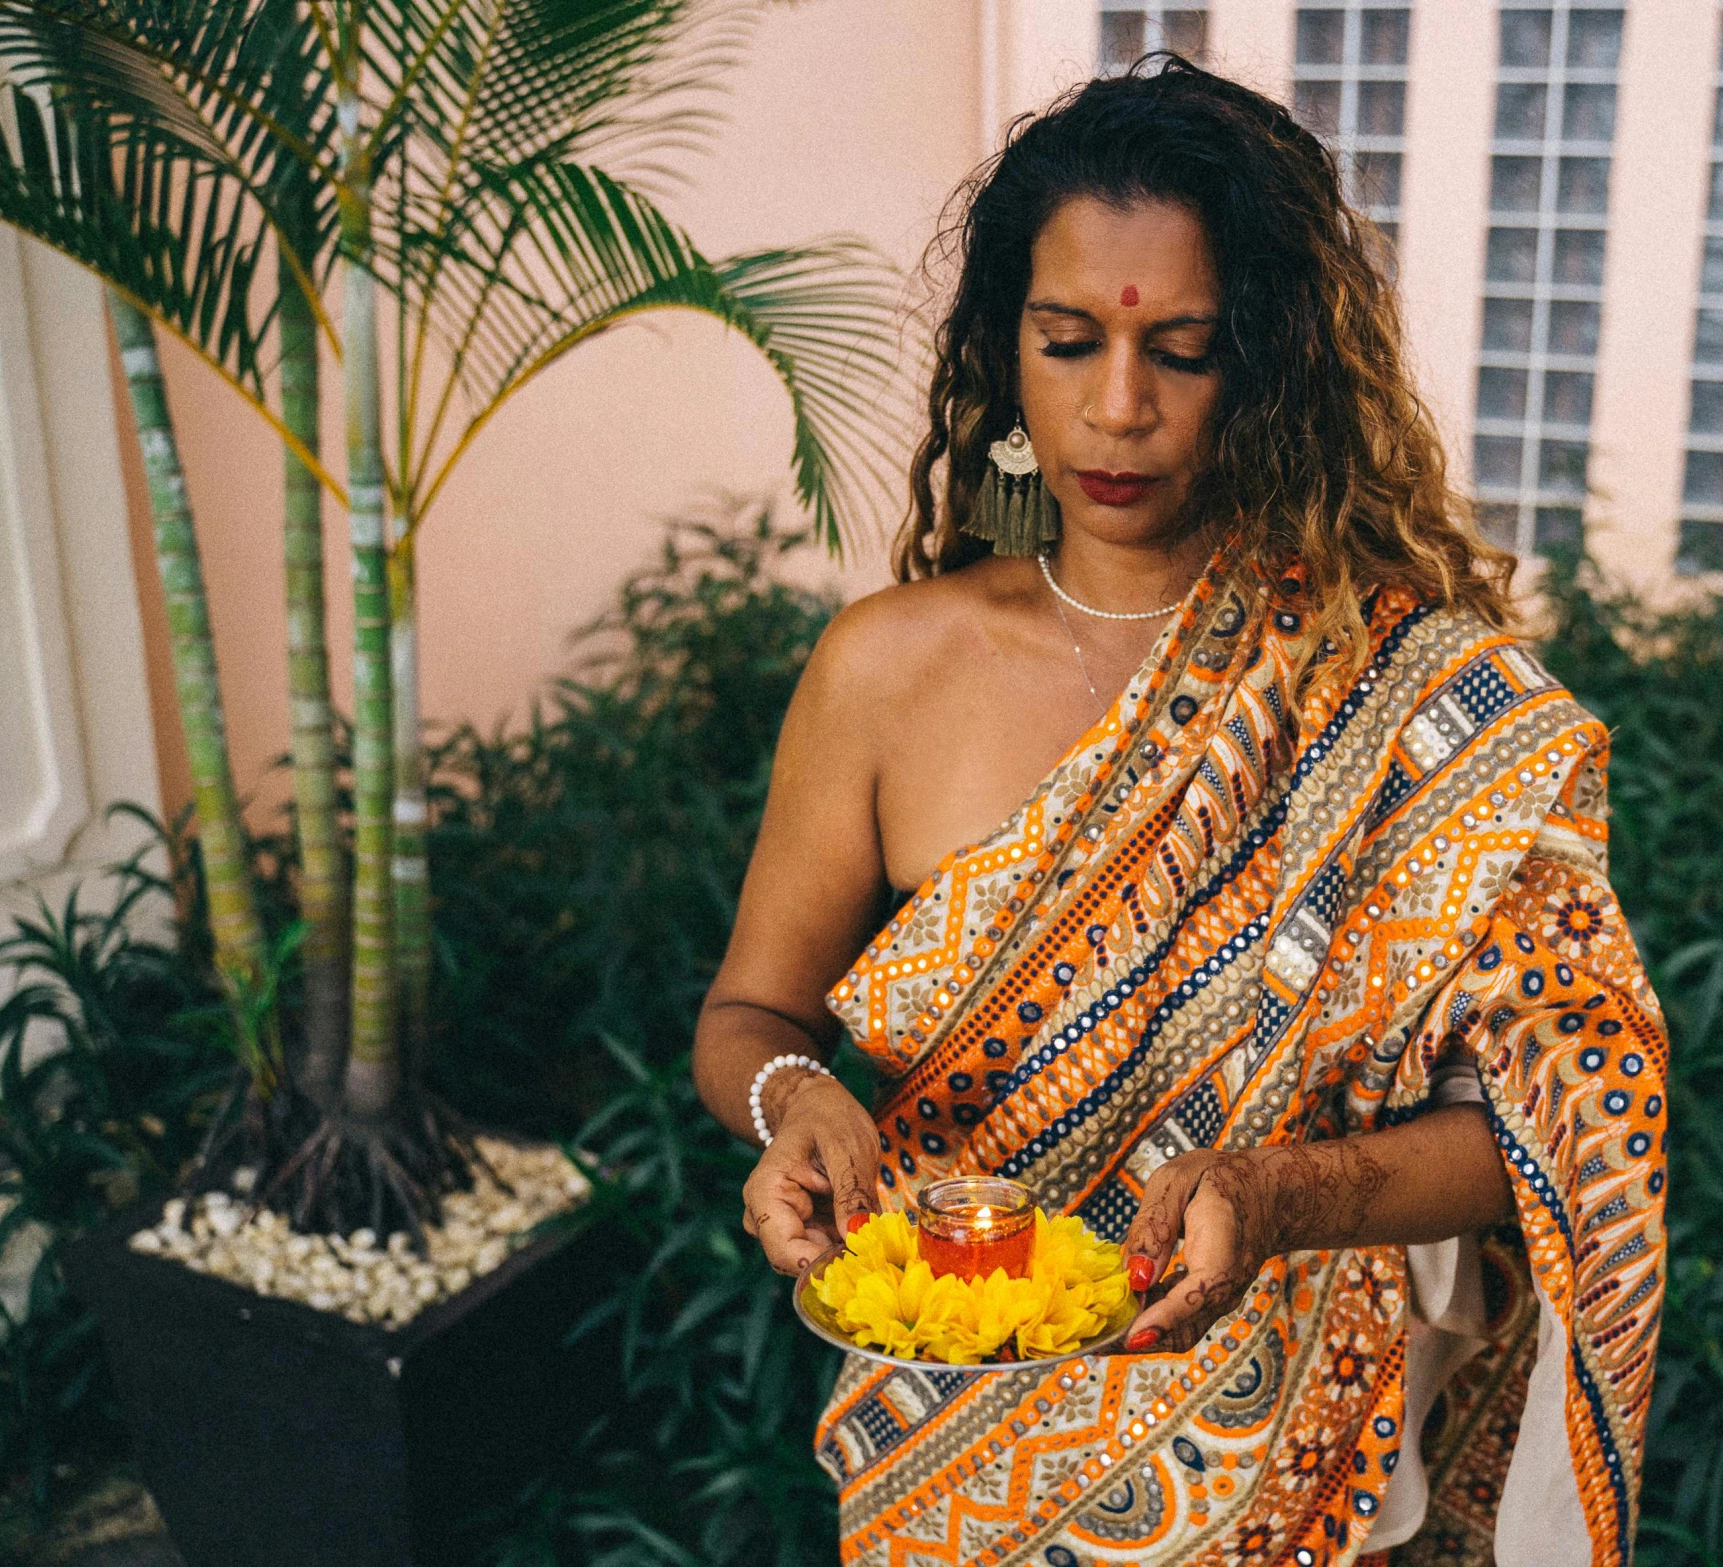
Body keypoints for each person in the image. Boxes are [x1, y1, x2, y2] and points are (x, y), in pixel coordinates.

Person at [694, 56, 1669, 1567]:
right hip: (948, 1454)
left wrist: (1281, 1188)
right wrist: (794, 1101)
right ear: (998, 354)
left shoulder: (1401, 695)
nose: (1120, 407)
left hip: (1289, 1465)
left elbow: (1558, 1128)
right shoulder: (885, 668)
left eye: (1187, 351)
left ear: (1266, 367)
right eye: (1067, 340)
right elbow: (752, 1006)